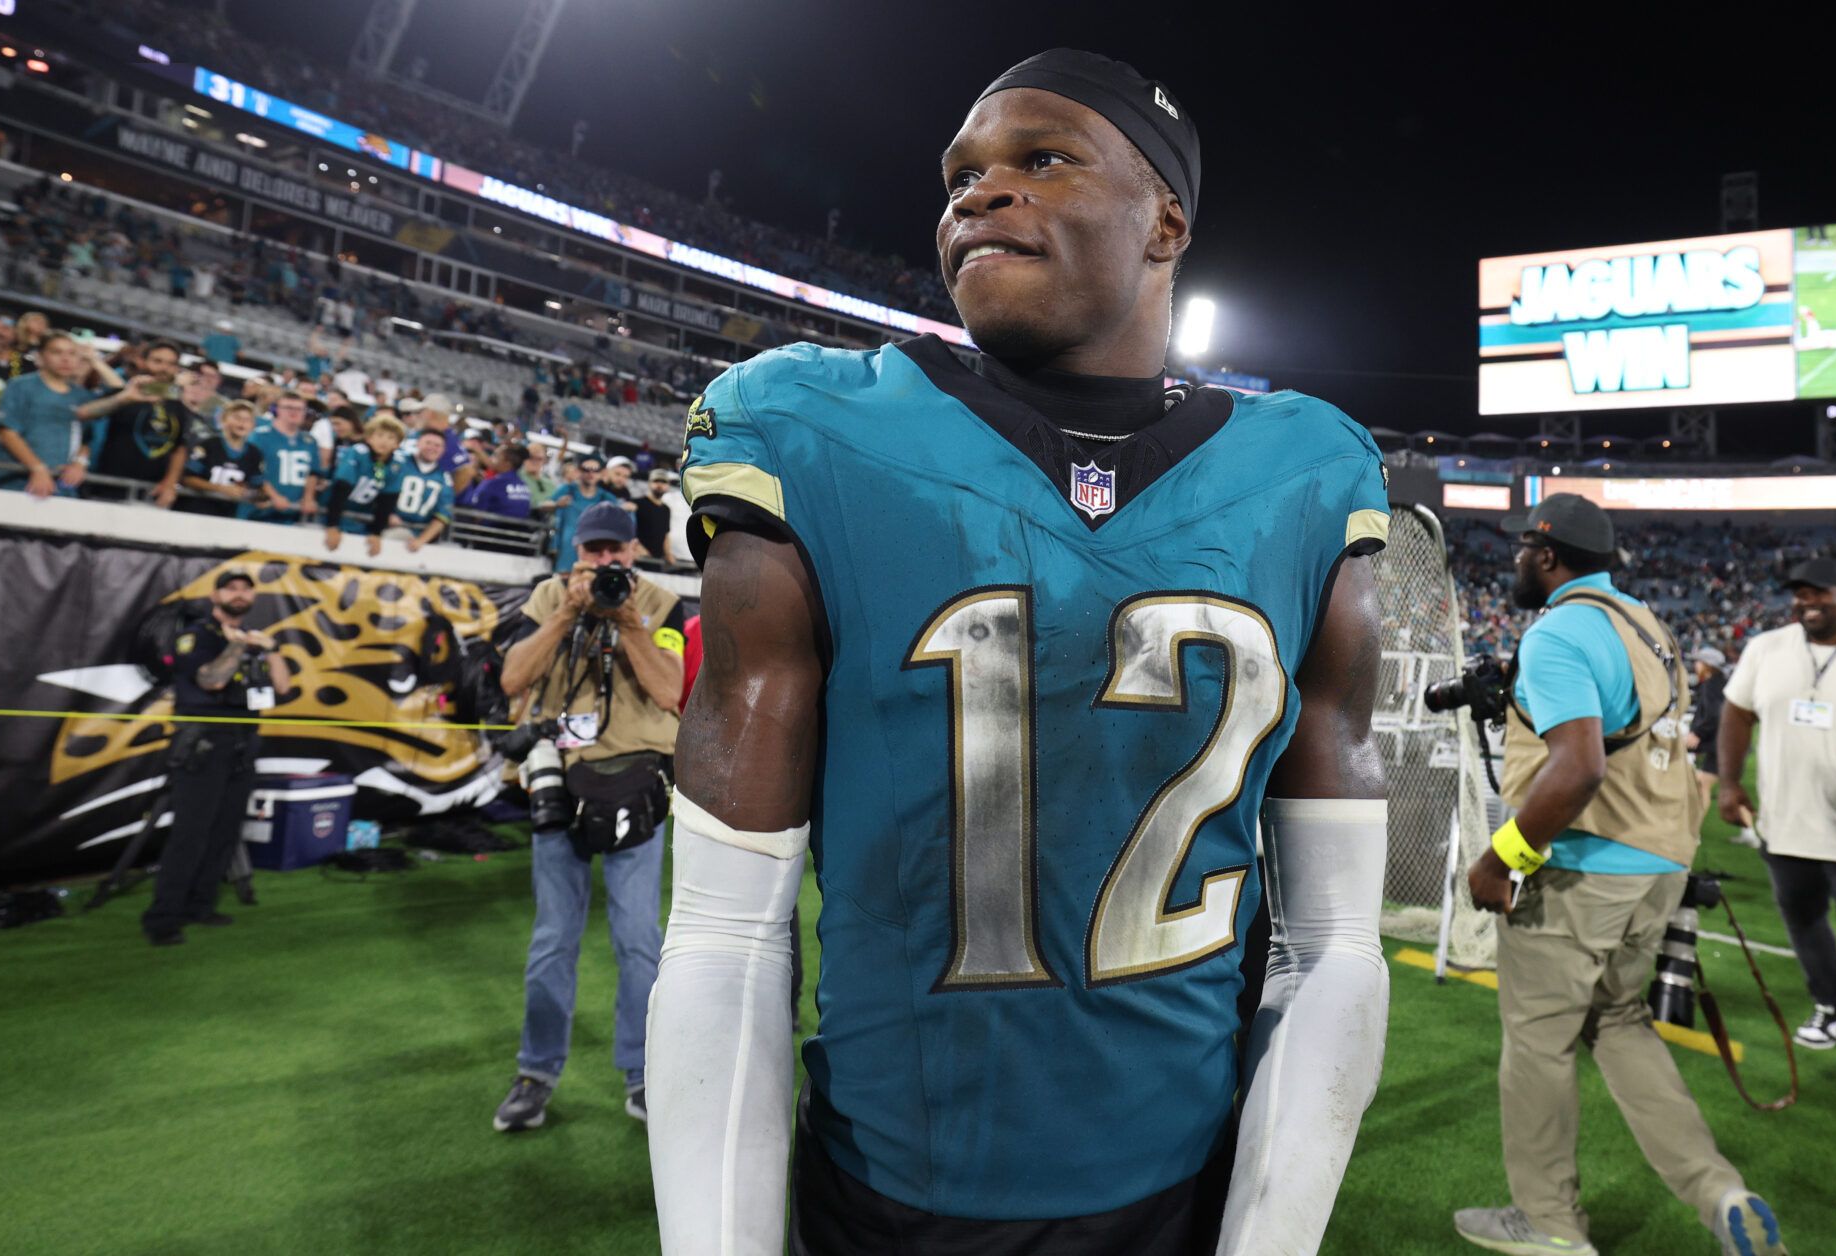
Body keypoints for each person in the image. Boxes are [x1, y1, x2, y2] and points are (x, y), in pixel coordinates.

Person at [650, 50, 1394, 1256]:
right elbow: (728, 932)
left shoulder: (1308, 468)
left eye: (1042, 160)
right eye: (961, 176)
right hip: (886, 1193)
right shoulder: (809, 424)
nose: (977, 195)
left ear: (1167, 220)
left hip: (1180, 1187)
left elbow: (1333, 942)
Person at [1453, 495, 1781, 1256]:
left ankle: (1549, 1223)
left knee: (1538, 1042)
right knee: (1620, 1021)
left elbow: (1579, 769)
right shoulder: (1649, 625)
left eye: (1520, 551)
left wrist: (1501, 856)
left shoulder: (1561, 628)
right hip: (1657, 865)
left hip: (1583, 867)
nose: (1512, 563)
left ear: (1546, 554)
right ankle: (1718, 1191)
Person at [491, 502, 687, 1133]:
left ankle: (642, 1072)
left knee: (638, 938)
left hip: (636, 782)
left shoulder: (660, 602)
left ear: (633, 552)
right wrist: (569, 613)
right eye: (594, 551)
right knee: (553, 940)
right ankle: (536, 1073)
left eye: (615, 551)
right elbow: (512, 679)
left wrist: (627, 622)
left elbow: (668, 691)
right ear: (577, 552)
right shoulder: (549, 595)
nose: (605, 562)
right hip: (561, 780)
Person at [1718, 557, 1836, 1095]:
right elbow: (1735, 712)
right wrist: (1729, 783)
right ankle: (1830, 1006)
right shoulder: (1765, 649)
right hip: (1785, 825)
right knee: (1803, 921)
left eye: (1818, 593)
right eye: (1798, 594)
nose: (1806, 602)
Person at [142, 568, 292, 945]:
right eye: (231, 589)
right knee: (190, 834)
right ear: (216, 596)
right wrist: (238, 646)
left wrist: (271, 649)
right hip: (204, 745)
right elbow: (212, 681)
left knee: (225, 832)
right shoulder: (198, 636)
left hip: (242, 745)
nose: (238, 594)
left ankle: (200, 905)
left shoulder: (252, 638)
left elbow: (284, 686)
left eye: (246, 589)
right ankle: (163, 918)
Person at [75, 340, 190, 509]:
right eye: (157, 361)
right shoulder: (125, 392)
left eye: (171, 364)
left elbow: (179, 447)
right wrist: (123, 399)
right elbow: (84, 413)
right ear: (143, 362)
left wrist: (170, 482)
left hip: (151, 495)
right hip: (108, 489)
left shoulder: (178, 405)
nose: (164, 368)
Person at [0, 332, 90, 496]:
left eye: (72, 353)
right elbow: (7, 432)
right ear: (40, 356)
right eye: (56, 352)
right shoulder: (20, 386)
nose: (66, 359)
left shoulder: (82, 396)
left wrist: (80, 463)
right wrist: (38, 468)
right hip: (13, 482)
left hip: (61, 488)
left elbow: (86, 438)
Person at [1684, 646, 1746, 842]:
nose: (1695, 665)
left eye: (1699, 661)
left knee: (1702, 785)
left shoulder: (1712, 685)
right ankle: (1750, 833)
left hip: (1722, 745)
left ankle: (1693, 833)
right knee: (1727, 787)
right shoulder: (1721, 683)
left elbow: (1714, 714)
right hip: (1729, 743)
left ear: (1708, 666)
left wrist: (1697, 733)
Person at [323, 414, 407, 557]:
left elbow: (387, 500)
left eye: (391, 438)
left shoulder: (397, 464)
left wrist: (376, 533)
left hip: (360, 518)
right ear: (369, 438)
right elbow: (341, 489)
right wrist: (332, 526)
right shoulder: (357, 453)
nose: (384, 441)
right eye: (379, 435)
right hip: (332, 512)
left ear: (397, 444)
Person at [244, 393, 322, 524]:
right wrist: (274, 496)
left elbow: (313, 472)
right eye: (288, 407)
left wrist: (308, 497)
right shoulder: (260, 436)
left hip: (293, 514)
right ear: (277, 409)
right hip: (259, 512)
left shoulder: (310, 441)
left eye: (299, 409)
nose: (294, 412)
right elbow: (252, 469)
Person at [537, 456, 622, 574]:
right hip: (566, 551)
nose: (591, 473)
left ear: (601, 473)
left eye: (595, 470)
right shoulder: (568, 490)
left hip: (593, 552)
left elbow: (621, 515)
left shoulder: (605, 497)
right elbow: (543, 505)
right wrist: (557, 504)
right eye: (586, 469)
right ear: (578, 471)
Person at [180, 400, 264, 517]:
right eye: (237, 417)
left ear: (253, 425)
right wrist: (219, 488)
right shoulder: (209, 445)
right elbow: (187, 478)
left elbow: (257, 488)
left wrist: (247, 493)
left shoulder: (254, 453)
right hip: (194, 511)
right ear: (223, 419)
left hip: (226, 516)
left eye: (247, 419)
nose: (242, 423)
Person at [390, 427, 455, 551]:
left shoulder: (444, 478)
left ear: (443, 450)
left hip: (417, 533)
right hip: (385, 524)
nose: (432, 448)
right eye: (428, 443)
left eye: (437, 445)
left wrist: (422, 540)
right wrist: (386, 513)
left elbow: (442, 515)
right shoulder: (398, 462)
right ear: (418, 443)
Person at [632, 467, 675, 560]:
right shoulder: (636, 504)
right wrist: (638, 548)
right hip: (638, 558)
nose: (659, 484)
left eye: (663, 482)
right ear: (649, 483)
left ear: (668, 486)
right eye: (656, 481)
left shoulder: (666, 509)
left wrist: (668, 553)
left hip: (657, 561)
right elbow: (627, 531)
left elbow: (666, 534)